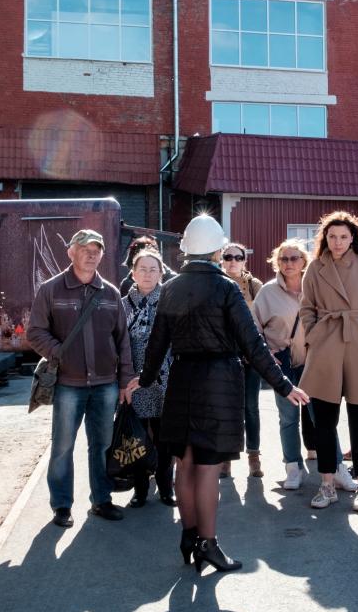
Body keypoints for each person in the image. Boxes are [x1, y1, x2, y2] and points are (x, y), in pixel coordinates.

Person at [131, 216, 309, 572]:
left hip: (181, 379)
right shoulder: (226, 288)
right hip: (217, 383)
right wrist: (284, 384)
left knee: (185, 462)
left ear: (186, 250)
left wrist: (144, 379)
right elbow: (253, 344)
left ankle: (188, 536)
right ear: (216, 250)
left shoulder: (171, 288)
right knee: (208, 467)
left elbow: (157, 345)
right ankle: (208, 545)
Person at [27, 229, 135, 528]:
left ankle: (101, 500)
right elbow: (35, 331)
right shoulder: (51, 290)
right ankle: (62, 506)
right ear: (71, 252)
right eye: (85, 249)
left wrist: (125, 381)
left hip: (105, 385)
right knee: (62, 447)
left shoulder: (110, 293)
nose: (91, 254)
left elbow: (123, 341)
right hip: (68, 384)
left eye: (96, 250)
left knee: (102, 446)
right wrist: (58, 353)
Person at [300, 211, 358, 513]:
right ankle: (327, 484)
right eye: (332, 236)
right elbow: (306, 307)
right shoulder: (315, 268)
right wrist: (313, 334)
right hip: (325, 344)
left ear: (353, 238)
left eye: (343, 236)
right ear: (324, 238)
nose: (337, 242)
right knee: (324, 421)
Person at [251, 239, 318, 490]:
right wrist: (266, 353)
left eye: (293, 258)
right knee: (288, 418)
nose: (288, 263)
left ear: (303, 262)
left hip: (313, 362)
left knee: (321, 417)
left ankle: (333, 468)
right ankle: (293, 467)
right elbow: (253, 328)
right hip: (283, 364)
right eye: (283, 259)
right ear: (277, 262)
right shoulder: (267, 292)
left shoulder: (315, 288)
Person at [122, 248, 175, 508]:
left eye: (153, 269)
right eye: (142, 269)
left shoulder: (170, 301)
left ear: (161, 273)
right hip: (134, 380)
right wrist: (123, 380)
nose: (147, 274)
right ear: (133, 273)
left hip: (166, 378)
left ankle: (166, 487)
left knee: (165, 438)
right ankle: (140, 488)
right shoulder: (123, 305)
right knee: (138, 437)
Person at [221, 242, 265, 479]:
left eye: (238, 257)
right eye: (228, 257)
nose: (233, 261)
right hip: (224, 356)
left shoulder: (254, 285)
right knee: (227, 408)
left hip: (250, 355)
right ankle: (226, 458)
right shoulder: (217, 282)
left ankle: (254, 456)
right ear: (221, 260)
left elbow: (264, 319)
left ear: (244, 261)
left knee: (250, 407)